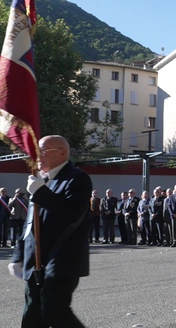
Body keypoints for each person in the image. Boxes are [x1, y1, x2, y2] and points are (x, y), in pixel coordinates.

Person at [8, 135, 93, 327]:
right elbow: (30, 224)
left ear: (63, 153)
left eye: (44, 150)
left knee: (55, 311)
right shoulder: (40, 180)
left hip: (61, 260)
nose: (38, 155)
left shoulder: (77, 178)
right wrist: (18, 255)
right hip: (35, 261)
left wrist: (40, 193)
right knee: (31, 317)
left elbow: (72, 214)